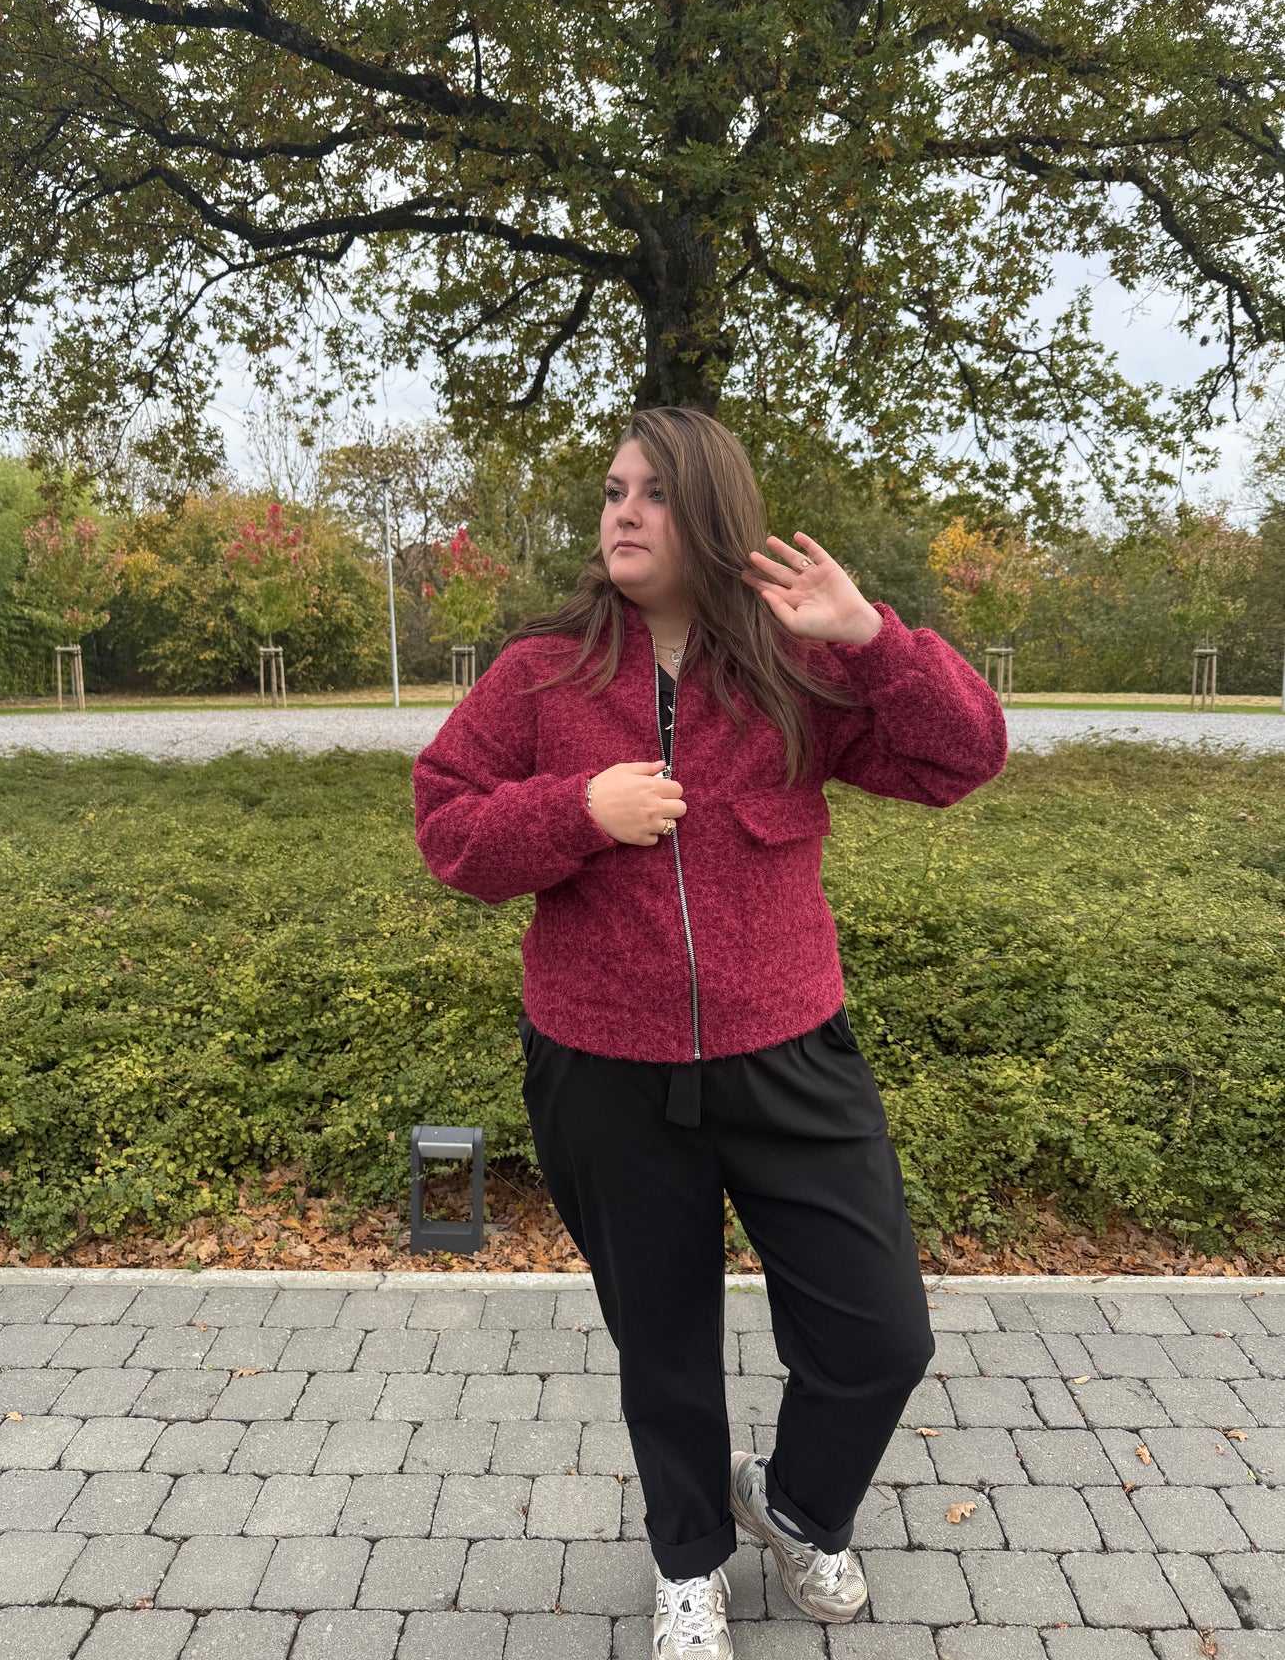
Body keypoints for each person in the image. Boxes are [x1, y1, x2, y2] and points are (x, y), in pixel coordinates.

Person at [412, 406, 1009, 1657]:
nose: (621, 513)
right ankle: (689, 1565)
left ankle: (796, 1506)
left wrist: (872, 636)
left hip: (790, 1050)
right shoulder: (542, 672)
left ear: (711, 511)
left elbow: (965, 760)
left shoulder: (796, 666)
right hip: (603, 1068)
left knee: (879, 1336)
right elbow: (447, 830)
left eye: (651, 493)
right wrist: (576, 809)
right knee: (664, 1347)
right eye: (612, 491)